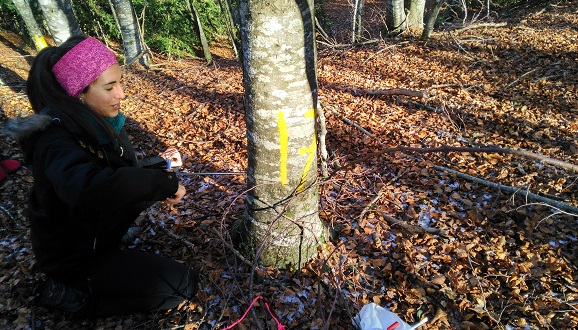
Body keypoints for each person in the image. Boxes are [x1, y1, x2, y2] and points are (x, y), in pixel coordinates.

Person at [4, 35, 198, 318]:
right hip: (75, 259)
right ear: (79, 92)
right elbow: (89, 188)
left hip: (96, 241)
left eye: (120, 83)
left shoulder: (93, 123)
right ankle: (74, 299)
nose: (121, 94)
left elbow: (111, 173)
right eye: (109, 87)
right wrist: (161, 183)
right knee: (182, 286)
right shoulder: (54, 141)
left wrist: (160, 168)